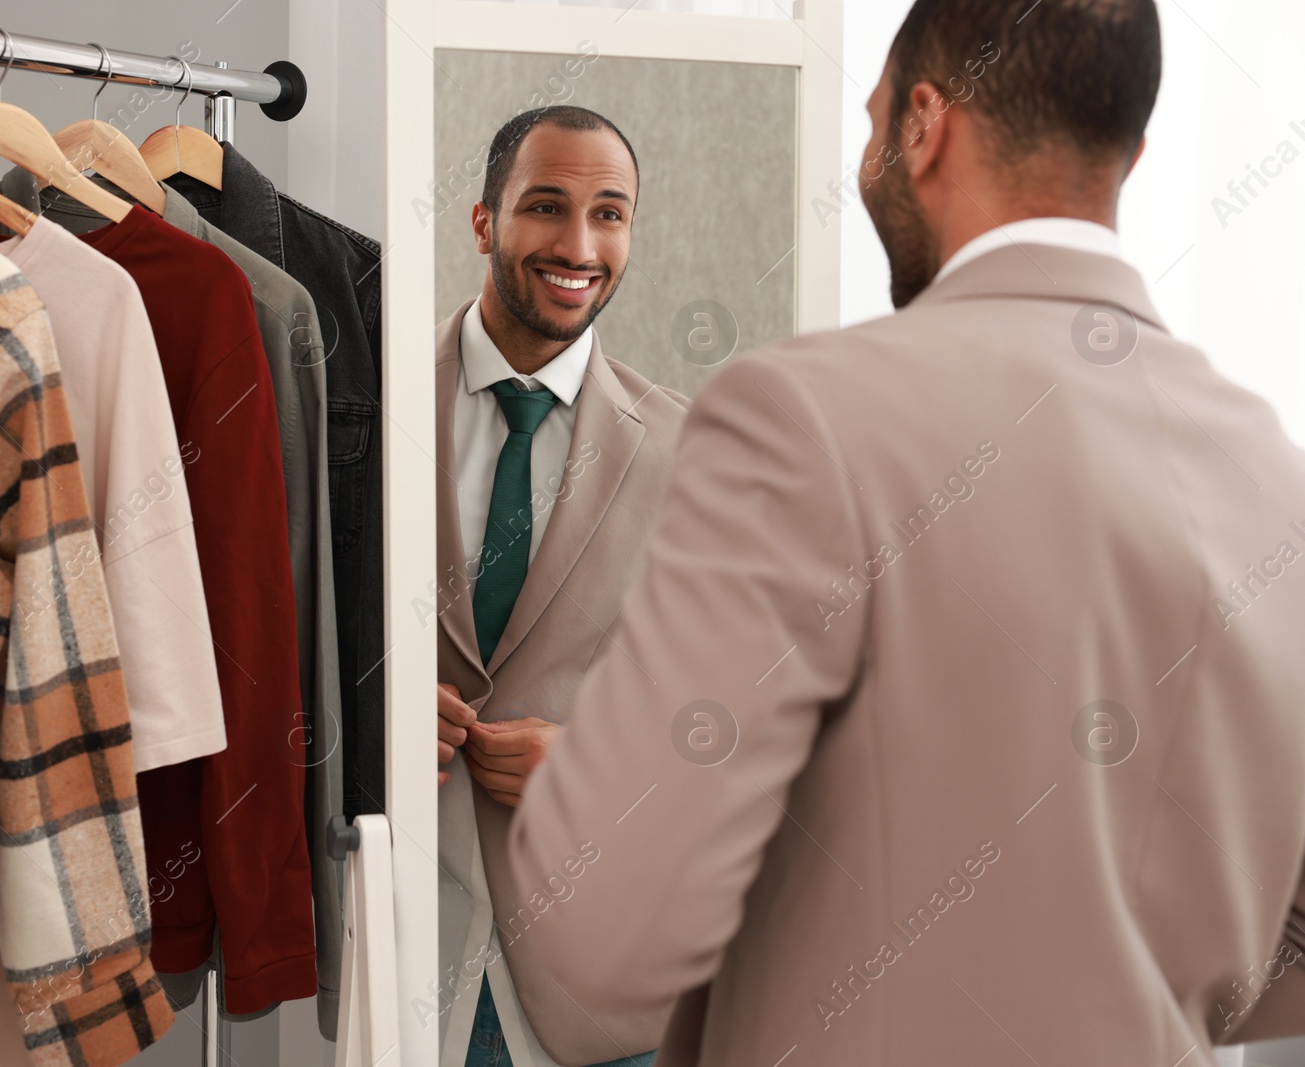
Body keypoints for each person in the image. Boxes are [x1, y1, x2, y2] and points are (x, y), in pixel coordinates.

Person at [509, 2, 1305, 1064]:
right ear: (1130, 150)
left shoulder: (801, 417)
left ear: (923, 124)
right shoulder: (1267, 464)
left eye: (874, 119)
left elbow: (604, 923)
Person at [431, 105, 689, 1067]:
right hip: (410, 943)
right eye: (546, 206)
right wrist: (376, 717)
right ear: (484, 221)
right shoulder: (369, 400)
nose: (579, 244)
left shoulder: (690, 451)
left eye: (610, 214)